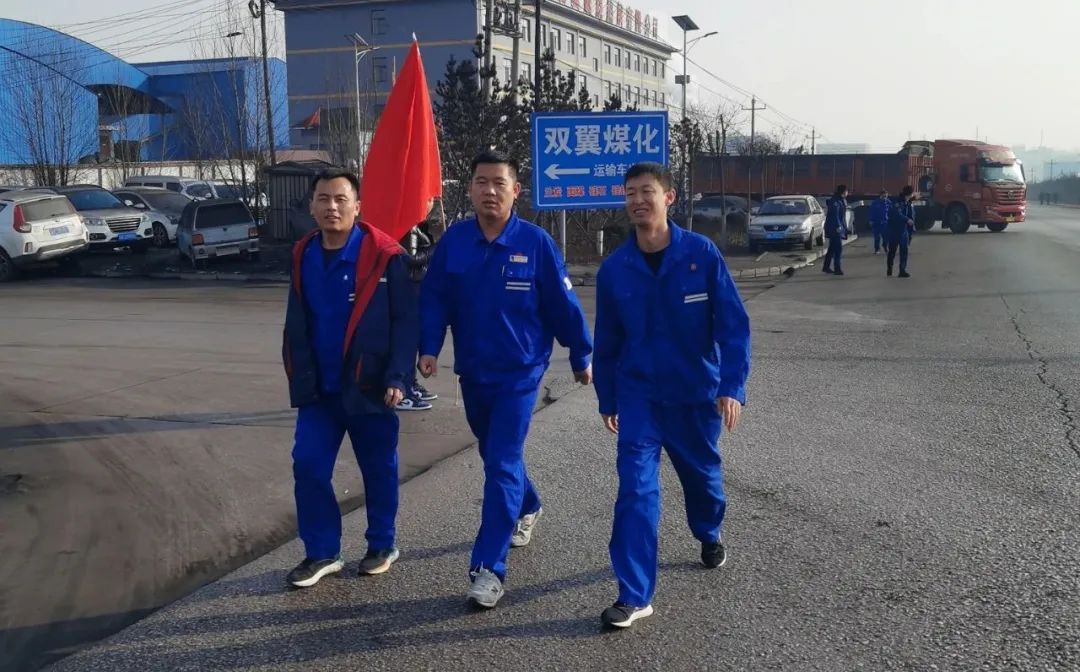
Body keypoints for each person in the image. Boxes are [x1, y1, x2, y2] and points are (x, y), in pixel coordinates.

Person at [419, 150, 593, 609]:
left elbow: (563, 305)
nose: (490, 191)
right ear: (470, 189)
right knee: (495, 453)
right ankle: (528, 504)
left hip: (521, 373)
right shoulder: (455, 242)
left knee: (500, 462)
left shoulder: (536, 243)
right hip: (474, 372)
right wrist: (428, 347)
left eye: (499, 183)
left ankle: (488, 570)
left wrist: (581, 352)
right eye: (481, 182)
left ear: (515, 191)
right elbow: (434, 298)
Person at [593, 162, 751, 629]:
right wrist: (608, 398)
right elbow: (607, 342)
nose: (637, 200)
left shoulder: (701, 254)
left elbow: (733, 327)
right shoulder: (615, 269)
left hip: (694, 394)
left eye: (647, 191)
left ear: (669, 197)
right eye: (630, 193)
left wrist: (731, 387)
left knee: (703, 482)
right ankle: (634, 594)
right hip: (640, 396)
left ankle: (708, 531)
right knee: (636, 489)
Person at [281, 167, 417, 588]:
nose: (332, 207)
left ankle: (382, 544)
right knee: (308, 465)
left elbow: (405, 320)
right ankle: (322, 552)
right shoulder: (304, 254)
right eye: (323, 199)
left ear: (358, 206)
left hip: (370, 385)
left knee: (378, 467)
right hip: (319, 389)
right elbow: (297, 319)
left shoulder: (384, 255)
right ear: (312, 206)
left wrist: (398, 376)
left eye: (341, 199)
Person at [396, 220, 437, 411]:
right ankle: (403, 387)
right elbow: (410, 258)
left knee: (412, 336)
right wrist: (435, 249)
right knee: (407, 338)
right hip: (408, 287)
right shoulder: (409, 225)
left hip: (418, 285)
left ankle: (410, 382)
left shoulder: (419, 226)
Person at [886, 185, 916, 278]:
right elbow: (897, 214)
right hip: (895, 230)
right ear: (909, 193)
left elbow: (912, 216)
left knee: (904, 251)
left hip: (904, 231)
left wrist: (911, 231)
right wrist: (907, 220)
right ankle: (890, 269)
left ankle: (902, 270)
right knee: (892, 251)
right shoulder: (897, 202)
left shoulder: (908, 203)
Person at [822, 184, 849, 275]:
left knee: (832, 248)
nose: (847, 193)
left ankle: (826, 267)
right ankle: (837, 269)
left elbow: (842, 217)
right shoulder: (835, 201)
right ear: (843, 192)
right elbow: (835, 215)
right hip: (835, 229)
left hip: (837, 228)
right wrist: (838, 226)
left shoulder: (840, 200)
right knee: (838, 249)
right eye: (847, 191)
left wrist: (845, 228)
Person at [869, 190, 890, 254]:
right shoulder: (875, 203)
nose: (885, 198)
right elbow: (871, 212)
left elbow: (892, 211)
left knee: (886, 236)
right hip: (876, 222)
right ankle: (877, 249)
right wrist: (871, 220)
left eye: (886, 196)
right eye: (883, 196)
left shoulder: (888, 202)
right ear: (880, 196)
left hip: (885, 222)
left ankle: (885, 246)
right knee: (877, 237)